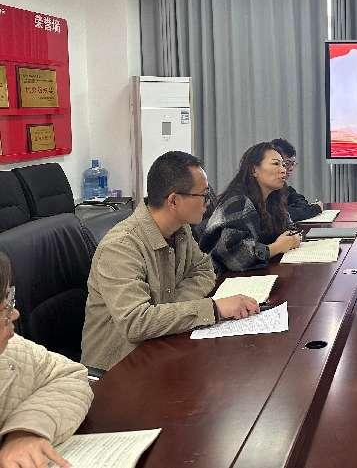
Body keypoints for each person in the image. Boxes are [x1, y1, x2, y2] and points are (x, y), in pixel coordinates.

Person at [82, 151, 259, 371]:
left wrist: (169, 309)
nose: (208, 203)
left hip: (161, 344)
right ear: (174, 200)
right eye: (203, 195)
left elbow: (204, 270)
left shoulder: (181, 229)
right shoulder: (121, 247)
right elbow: (136, 323)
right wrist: (215, 309)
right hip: (119, 368)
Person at [0, 251, 92, 468]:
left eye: (9, 298)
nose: (14, 314)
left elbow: (69, 375)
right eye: (4, 306)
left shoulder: (12, 350)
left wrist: (26, 430)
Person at [200, 142, 302, 274]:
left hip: (251, 273)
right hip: (219, 278)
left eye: (283, 164)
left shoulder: (272, 199)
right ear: (254, 170)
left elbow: (289, 228)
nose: (283, 170)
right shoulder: (238, 202)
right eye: (276, 164)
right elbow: (237, 257)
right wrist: (276, 247)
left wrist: (293, 237)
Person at [270, 138, 324, 222]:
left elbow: (300, 201)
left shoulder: (282, 185)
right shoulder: (264, 188)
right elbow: (281, 215)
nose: (291, 168)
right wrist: (315, 209)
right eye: (287, 164)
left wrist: (301, 210)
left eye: (293, 164)